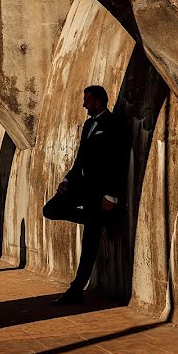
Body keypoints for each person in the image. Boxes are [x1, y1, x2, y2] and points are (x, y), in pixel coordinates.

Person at [43, 85, 128, 305]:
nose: (84, 104)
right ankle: (100, 221)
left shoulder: (114, 123)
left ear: (99, 100)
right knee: (50, 209)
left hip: (101, 193)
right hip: (82, 187)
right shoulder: (89, 124)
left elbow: (119, 161)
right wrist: (67, 180)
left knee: (89, 244)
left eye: (87, 100)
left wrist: (112, 195)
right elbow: (80, 158)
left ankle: (75, 290)